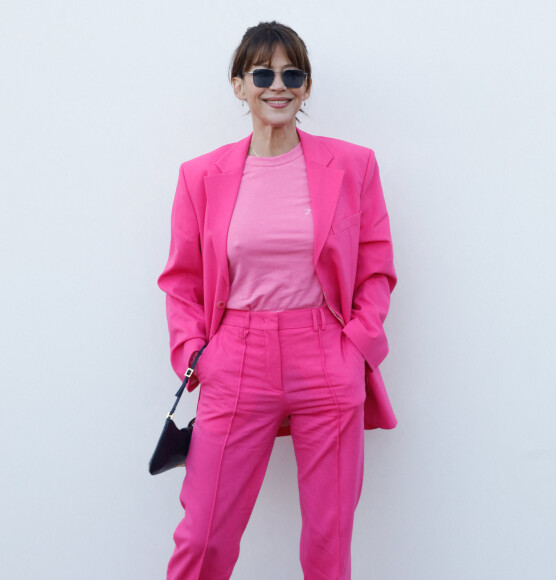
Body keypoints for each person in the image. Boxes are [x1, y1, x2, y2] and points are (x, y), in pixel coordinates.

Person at [157, 20, 397, 580]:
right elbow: (181, 281)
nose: (278, 84)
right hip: (236, 355)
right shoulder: (201, 176)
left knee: (327, 538)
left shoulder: (354, 166)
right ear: (239, 85)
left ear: (307, 87)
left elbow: (376, 266)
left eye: (293, 73)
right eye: (262, 72)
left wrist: (356, 347)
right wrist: (196, 354)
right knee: (204, 534)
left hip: (327, 353)